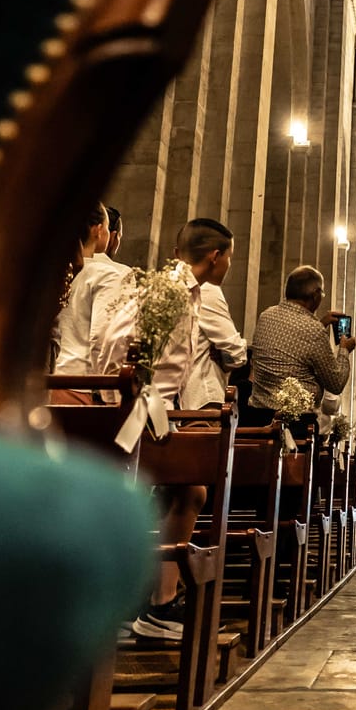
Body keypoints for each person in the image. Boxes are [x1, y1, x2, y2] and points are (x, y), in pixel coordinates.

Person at [95, 217, 248, 641]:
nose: (229, 265)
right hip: (141, 416)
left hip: (158, 413)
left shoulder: (186, 291)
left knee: (184, 493)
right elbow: (115, 346)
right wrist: (122, 398)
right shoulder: (170, 292)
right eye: (229, 257)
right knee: (182, 492)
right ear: (215, 257)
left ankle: (150, 601)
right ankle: (152, 604)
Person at [248, 265, 355, 429]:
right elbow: (336, 384)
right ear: (315, 295)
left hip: (258, 418)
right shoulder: (313, 330)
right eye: (322, 293)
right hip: (295, 423)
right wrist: (344, 350)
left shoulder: (266, 315)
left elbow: (292, 347)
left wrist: (321, 323)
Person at [50, 203, 129, 405]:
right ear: (98, 230)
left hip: (47, 376)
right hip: (80, 382)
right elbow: (105, 337)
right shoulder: (111, 274)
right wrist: (111, 395)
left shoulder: (53, 269)